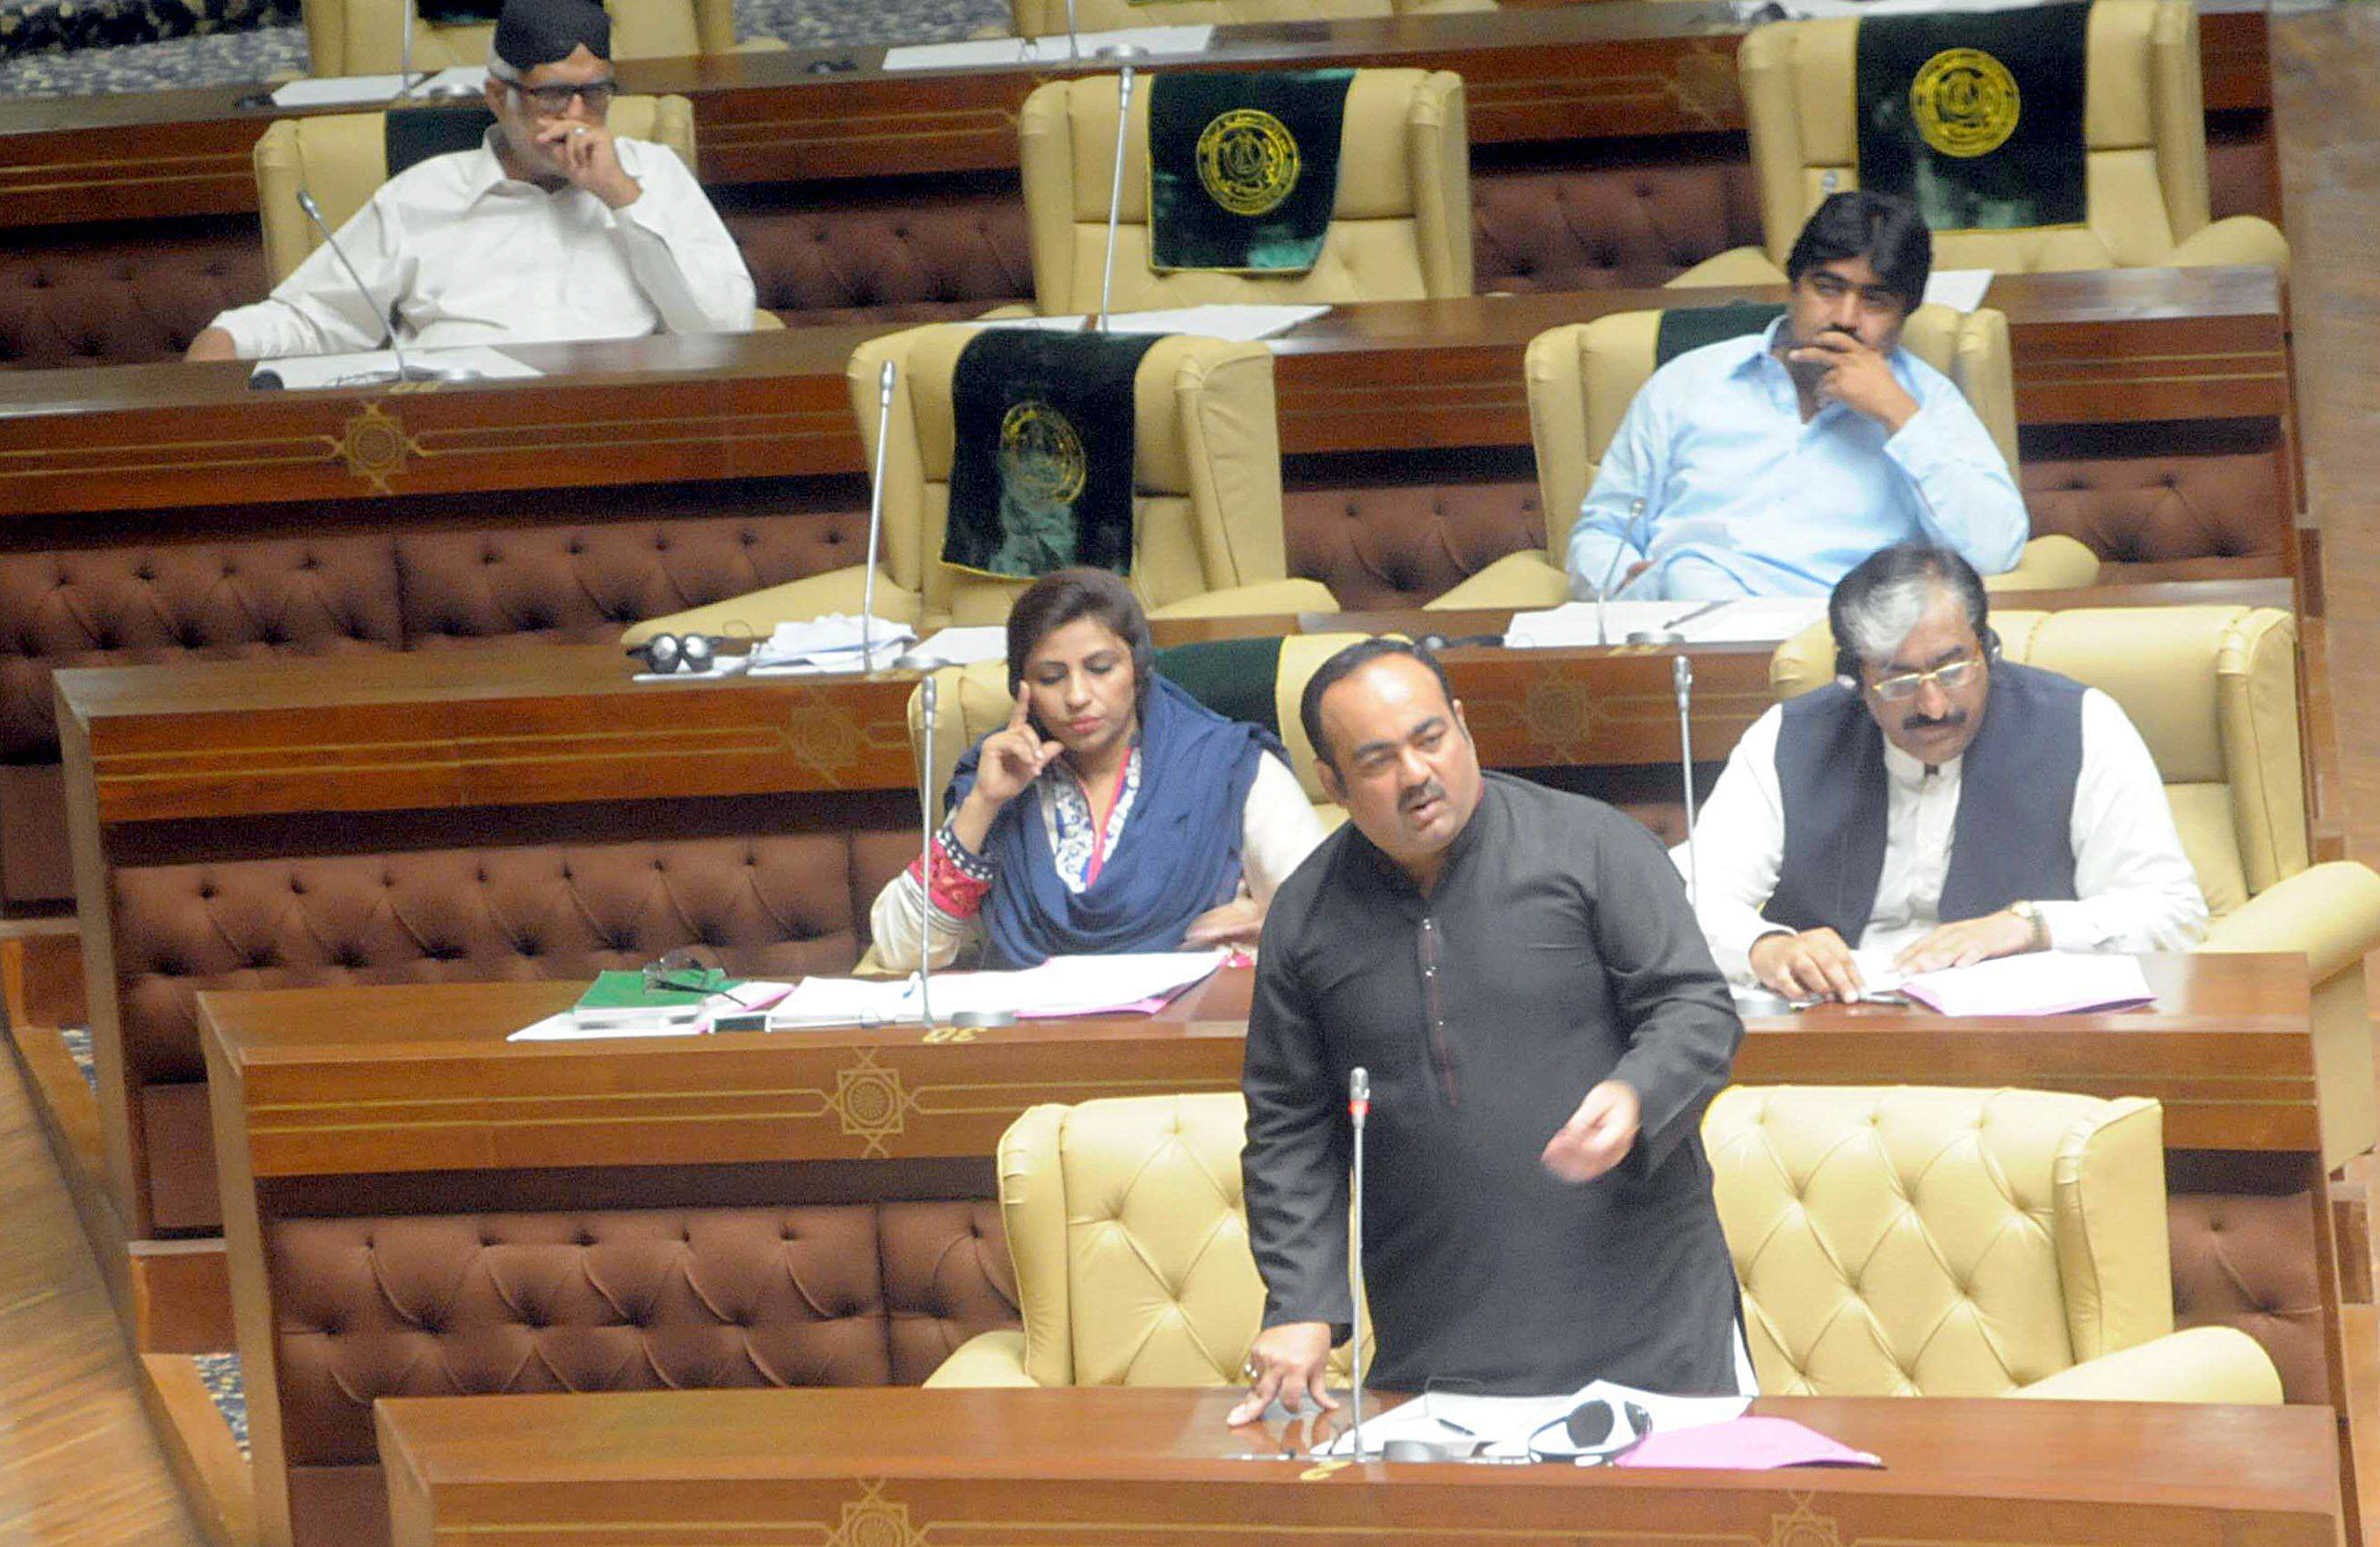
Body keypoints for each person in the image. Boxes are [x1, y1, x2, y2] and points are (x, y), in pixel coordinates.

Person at [1232, 638, 1748, 1417]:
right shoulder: (1304, 915)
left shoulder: (1594, 846)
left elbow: (1696, 1008)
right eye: (1377, 760)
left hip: (1652, 1321)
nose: (1415, 775)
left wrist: (1637, 1091)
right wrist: (1301, 1300)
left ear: (1463, 727)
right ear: (1332, 784)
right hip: (1440, 1340)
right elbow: (1289, 1125)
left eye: (1429, 738)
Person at [1690, 544, 2207, 1004]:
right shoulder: (1789, 738)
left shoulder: (2082, 724)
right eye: (1898, 681)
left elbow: (2171, 913)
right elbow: (1691, 896)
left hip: (2022, 1039)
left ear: (1988, 649)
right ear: (1854, 680)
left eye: (1953, 669)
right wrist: (1765, 947)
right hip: (1836, 1028)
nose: (1934, 706)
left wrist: (2029, 926)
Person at [186, 0, 755, 363]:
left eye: (597, 92)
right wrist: (231, 339)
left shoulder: (650, 174)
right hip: (459, 438)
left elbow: (725, 328)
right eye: (553, 94)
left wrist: (620, 197)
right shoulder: (425, 196)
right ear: (495, 97)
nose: (578, 114)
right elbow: (320, 317)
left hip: (619, 432)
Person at [1564, 191, 2029, 601]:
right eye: (1828, 289)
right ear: (1794, 286)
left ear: (1904, 316)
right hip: (1685, 620)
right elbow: (1603, 530)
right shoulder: (1688, 383)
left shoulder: (1925, 402)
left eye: (1875, 301)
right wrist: (1627, 581)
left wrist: (1898, 416)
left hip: (1838, 644)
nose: (1845, 318)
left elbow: (1995, 549)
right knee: (1692, 576)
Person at [869, 568, 1327, 971]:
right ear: (1022, 688)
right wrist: (983, 805)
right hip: (1035, 1046)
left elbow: (1327, 928)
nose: (1077, 696)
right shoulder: (998, 782)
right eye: (1051, 677)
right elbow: (902, 952)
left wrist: (1269, 928)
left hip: (1190, 1040)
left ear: (1138, 668)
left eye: (1101, 668)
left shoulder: (1229, 767)